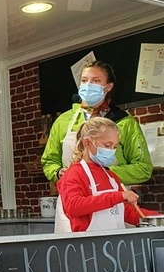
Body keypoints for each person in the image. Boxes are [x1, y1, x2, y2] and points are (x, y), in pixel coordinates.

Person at [41, 60, 153, 233]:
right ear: (86, 142)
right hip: (74, 203)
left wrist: (104, 176)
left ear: (108, 87)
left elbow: (144, 168)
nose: (88, 85)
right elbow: (49, 161)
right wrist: (57, 172)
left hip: (116, 202)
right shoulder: (63, 121)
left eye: (96, 81)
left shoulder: (125, 121)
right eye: (84, 80)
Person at [57, 117, 158, 232]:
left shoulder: (111, 176)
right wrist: (118, 196)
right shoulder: (74, 173)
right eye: (107, 145)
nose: (111, 151)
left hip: (116, 242)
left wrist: (155, 217)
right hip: (88, 245)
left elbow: (125, 211)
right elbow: (73, 206)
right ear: (88, 142)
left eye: (115, 147)